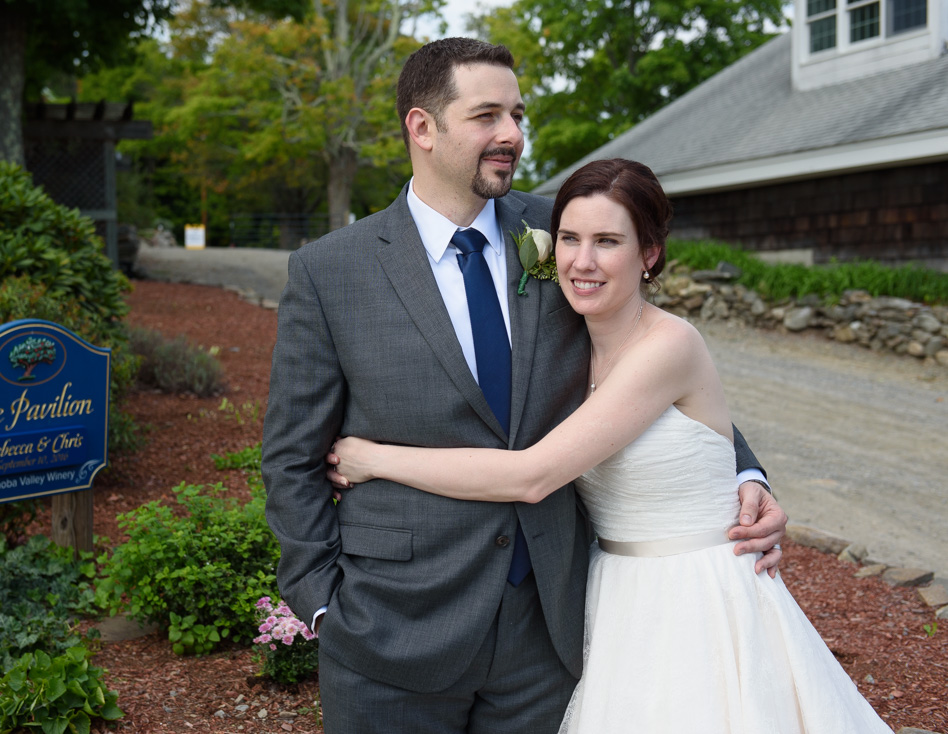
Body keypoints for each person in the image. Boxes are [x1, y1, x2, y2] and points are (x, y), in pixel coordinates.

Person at [261, 38, 786, 734]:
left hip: (551, 628)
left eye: (517, 113)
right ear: (422, 127)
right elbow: (293, 457)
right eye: (486, 116)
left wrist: (744, 471)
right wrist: (324, 604)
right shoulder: (332, 272)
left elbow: (650, 366)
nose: (511, 134)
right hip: (390, 631)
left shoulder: (562, 235)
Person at [328, 158, 892, 733]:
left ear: (649, 254)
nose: (582, 261)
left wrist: (374, 458)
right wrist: (747, 477)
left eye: (607, 242)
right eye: (570, 239)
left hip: (697, 600)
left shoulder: (669, 346)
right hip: (613, 594)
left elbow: (533, 474)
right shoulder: (574, 333)